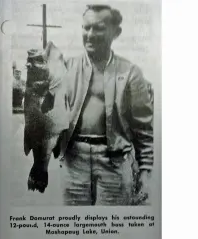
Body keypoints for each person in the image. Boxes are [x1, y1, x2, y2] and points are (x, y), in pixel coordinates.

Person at [34, 4, 154, 206]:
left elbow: (143, 127)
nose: (89, 34)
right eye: (85, 27)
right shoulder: (65, 68)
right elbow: (44, 108)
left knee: (113, 227)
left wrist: (145, 170)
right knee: (74, 227)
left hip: (115, 162)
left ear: (116, 32)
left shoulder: (131, 73)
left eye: (98, 28)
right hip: (73, 160)